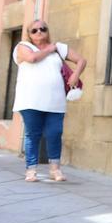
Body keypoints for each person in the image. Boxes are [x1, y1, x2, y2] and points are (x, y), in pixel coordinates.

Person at [12, 20, 85, 182]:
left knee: (55, 133)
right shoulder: (23, 47)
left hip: (55, 101)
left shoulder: (59, 48)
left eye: (42, 29)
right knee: (33, 134)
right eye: (34, 30)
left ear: (47, 31)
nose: (39, 32)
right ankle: (31, 170)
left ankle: (55, 169)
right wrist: (50, 49)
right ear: (29, 34)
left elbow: (81, 60)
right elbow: (31, 58)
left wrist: (75, 75)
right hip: (30, 100)